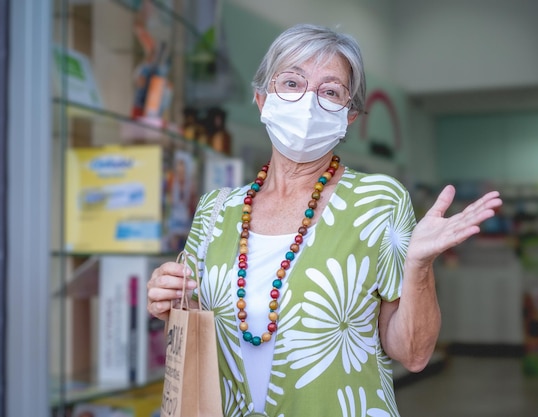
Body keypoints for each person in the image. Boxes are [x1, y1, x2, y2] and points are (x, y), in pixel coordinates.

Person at [147, 23, 502, 416]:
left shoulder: (377, 202)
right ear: (262, 99)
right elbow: (193, 341)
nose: (308, 103)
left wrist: (418, 265)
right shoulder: (216, 210)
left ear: (349, 117)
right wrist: (169, 303)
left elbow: (414, 355)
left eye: (330, 92)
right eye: (292, 83)